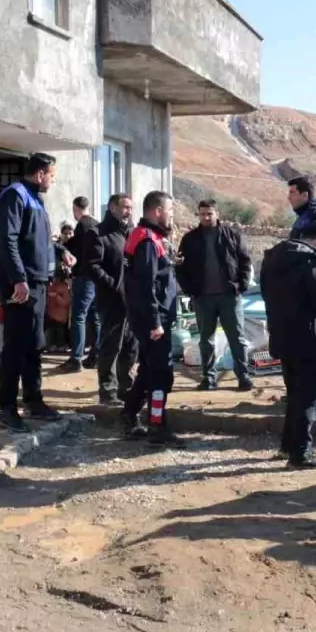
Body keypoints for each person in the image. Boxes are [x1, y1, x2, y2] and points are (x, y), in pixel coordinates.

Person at [0, 153, 62, 432]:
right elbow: (7, 240)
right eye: (52, 176)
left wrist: (62, 252)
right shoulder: (15, 196)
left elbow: (37, 241)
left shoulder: (37, 200)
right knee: (16, 345)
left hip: (38, 281)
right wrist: (18, 279)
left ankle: (34, 399)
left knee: (35, 343)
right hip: (21, 284)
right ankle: (6, 407)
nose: (53, 181)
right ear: (41, 173)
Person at [260, 219, 316, 469]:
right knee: (311, 396)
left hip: (282, 334)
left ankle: (287, 444)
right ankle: (301, 452)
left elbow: (264, 293)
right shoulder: (310, 261)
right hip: (309, 337)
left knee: (294, 392)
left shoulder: (272, 258)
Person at [121, 191, 185, 448]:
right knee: (160, 374)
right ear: (157, 210)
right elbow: (145, 287)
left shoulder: (149, 237)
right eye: (169, 210)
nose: (171, 215)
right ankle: (157, 425)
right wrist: (155, 322)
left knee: (148, 369)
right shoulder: (147, 241)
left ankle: (130, 412)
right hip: (152, 322)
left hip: (150, 319)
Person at [177, 200, 255, 391]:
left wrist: (241, 286)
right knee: (206, 340)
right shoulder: (190, 239)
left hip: (229, 296)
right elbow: (180, 266)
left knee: (237, 338)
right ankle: (209, 378)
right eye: (202, 214)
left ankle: (243, 376)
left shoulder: (231, 235)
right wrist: (189, 289)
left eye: (209, 213)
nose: (205, 217)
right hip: (203, 298)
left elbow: (245, 260)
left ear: (217, 214)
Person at [84, 193, 139, 405]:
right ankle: (108, 391)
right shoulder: (97, 234)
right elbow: (91, 266)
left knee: (130, 347)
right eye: (125, 207)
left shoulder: (133, 234)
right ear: (112, 208)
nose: (128, 211)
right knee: (111, 346)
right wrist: (114, 285)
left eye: (130, 207)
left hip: (133, 301)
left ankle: (126, 388)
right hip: (111, 300)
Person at [61, 196, 100, 372]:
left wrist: (63, 244)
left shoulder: (82, 226)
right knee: (95, 316)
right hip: (97, 277)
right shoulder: (97, 224)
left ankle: (76, 358)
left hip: (84, 277)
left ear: (76, 209)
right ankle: (96, 355)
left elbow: (76, 251)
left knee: (78, 316)